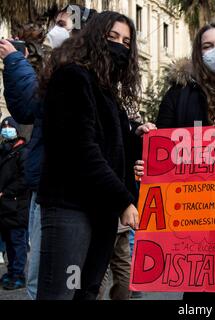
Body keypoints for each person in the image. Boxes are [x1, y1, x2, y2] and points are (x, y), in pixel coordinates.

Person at [135, 22, 215, 301]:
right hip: (190, 206)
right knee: (195, 284)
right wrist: (147, 152)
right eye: (207, 46)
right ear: (198, 53)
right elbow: (161, 147)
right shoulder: (178, 93)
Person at [36, 11, 142, 300]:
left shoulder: (106, 92)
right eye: (112, 38)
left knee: (86, 292)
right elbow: (81, 148)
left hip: (101, 214)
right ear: (94, 38)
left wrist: (140, 140)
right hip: (72, 209)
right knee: (63, 293)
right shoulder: (72, 77)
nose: (120, 46)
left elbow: (116, 148)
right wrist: (123, 199)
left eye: (126, 41)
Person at [0, 4, 97, 299]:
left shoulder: (73, 74)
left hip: (61, 195)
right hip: (58, 191)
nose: (54, 32)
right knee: (67, 278)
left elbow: (32, 104)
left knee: (49, 278)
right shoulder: (69, 69)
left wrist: (16, 63)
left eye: (61, 25)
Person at [0, 117, 29, 290]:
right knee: (9, 243)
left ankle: (19, 275)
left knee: (18, 243)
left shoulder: (22, 151)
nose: (7, 128)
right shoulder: (4, 151)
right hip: (5, 207)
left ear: (17, 130)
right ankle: (11, 272)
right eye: (4, 126)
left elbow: (24, 179)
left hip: (16, 205)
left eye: (10, 126)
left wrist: (6, 192)